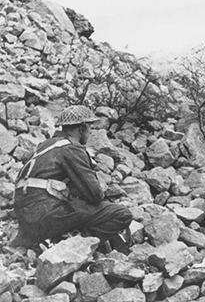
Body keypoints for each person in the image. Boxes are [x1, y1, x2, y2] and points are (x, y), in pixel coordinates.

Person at [10, 105, 132, 252]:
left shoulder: (45, 145)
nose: (91, 131)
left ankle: (42, 238)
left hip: (25, 218)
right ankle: (72, 241)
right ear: (81, 128)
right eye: (89, 127)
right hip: (46, 214)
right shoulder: (71, 148)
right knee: (122, 214)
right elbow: (95, 195)